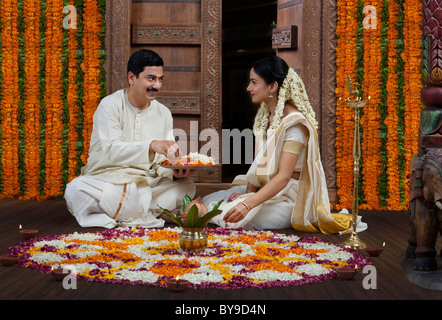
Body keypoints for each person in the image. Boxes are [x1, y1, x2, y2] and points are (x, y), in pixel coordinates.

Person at [203, 56, 366, 233]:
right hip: (268, 191)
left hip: (289, 199)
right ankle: (218, 210)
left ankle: (214, 214)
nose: (248, 88)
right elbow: (261, 162)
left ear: (272, 86)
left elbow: (283, 177)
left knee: (233, 218)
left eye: (254, 82)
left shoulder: (294, 124)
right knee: (211, 200)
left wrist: (247, 204)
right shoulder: (268, 116)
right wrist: (249, 193)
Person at [64, 49, 195, 229]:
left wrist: (174, 172)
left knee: (187, 186)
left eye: (160, 79)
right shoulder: (109, 106)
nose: (157, 86)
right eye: (151, 78)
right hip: (107, 180)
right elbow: (112, 151)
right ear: (132, 78)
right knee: (75, 189)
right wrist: (151, 146)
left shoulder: (163, 113)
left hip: (145, 183)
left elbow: (162, 162)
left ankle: (122, 212)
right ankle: (148, 212)